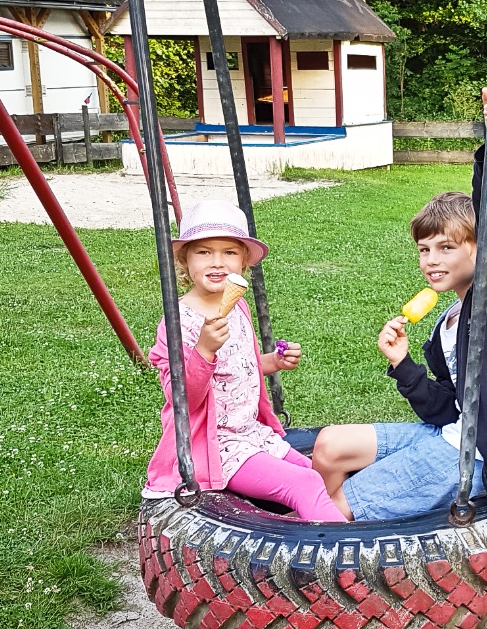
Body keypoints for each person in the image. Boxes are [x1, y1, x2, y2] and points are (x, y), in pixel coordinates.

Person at [312, 87, 487, 521]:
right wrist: (403, 364)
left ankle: (332, 538)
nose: (432, 260)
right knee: (328, 446)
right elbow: (445, 408)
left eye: (446, 247)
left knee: (334, 507)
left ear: (478, 249)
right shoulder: (448, 323)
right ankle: (329, 530)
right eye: (423, 249)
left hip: (482, 455)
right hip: (450, 432)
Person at [143, 201, 348, 522]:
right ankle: (343, 556)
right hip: (212, 446)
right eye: (203, 252)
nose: (217, 262)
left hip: (251, 434)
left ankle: (314, 532)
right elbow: (183, 399)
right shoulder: (178, 322)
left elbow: (240, 367)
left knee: (322, 474)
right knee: (305, 482)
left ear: (243, 261)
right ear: (184, 259)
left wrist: (274, 362)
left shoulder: (237, 308)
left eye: (229, 253)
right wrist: (204, 350)